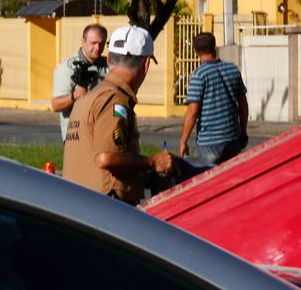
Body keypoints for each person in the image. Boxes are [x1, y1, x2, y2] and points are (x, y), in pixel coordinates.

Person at [63, 25, 174, 204]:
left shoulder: (90, 97)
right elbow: (106, 157)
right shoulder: (115, 99)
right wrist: (152, 162)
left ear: (109, 60)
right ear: (146, 64)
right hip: (104, 212)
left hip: (80, 206)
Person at [178, 32, 249, 166]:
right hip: (232, 139)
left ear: (196, 52)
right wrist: (243, 131)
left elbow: (192, 112)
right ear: (215, 47)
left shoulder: (199, 75)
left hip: (209, 143)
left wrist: (183, 141)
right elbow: (243, 105)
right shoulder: (232, 70)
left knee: (211, 182)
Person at [51, 23, 109, 139]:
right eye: (93, 43)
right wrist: (76, 95)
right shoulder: (67, 68)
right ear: (83, 41)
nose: (98, 48)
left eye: (101, 43)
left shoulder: (108, 65)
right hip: (76, 137)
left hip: (101, 134)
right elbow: (56, 105)